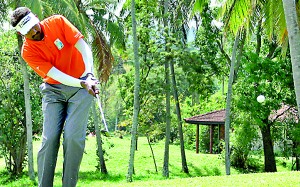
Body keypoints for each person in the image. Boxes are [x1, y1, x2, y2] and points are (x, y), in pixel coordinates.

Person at [10, 7, 99, 187]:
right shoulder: (28, 51)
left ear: (36, 18)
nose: (35, 32)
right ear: (21, 33)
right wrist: (81, 82)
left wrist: (88, 74)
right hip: (54, 90)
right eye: (28, 32)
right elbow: (55, 74)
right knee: (50, 139)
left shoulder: (57, 22)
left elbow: (83, 46)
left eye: (34, 26)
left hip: (82, 86)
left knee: (73, 138)